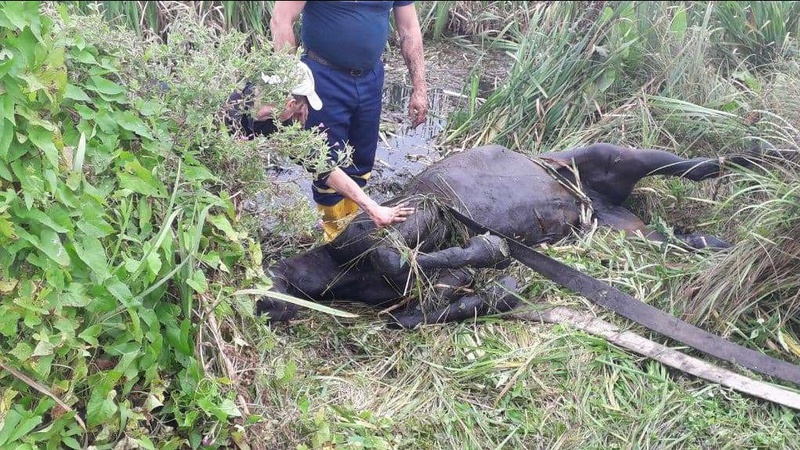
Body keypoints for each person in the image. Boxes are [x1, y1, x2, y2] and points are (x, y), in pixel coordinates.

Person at [271, 1, 429, 242]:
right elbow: (281, 19)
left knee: (361, 160)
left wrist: (420, 88)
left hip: (370, 78)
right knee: (326, 160)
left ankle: (353, 227)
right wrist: (293, 86)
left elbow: (408, 28)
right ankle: (334, 237)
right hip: (322, 76)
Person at [223, 61, 323, 140]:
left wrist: (299, 128)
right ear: (290, 105)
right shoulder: (229, 110)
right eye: (300, 108)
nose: (301, 114)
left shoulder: (276, 121)